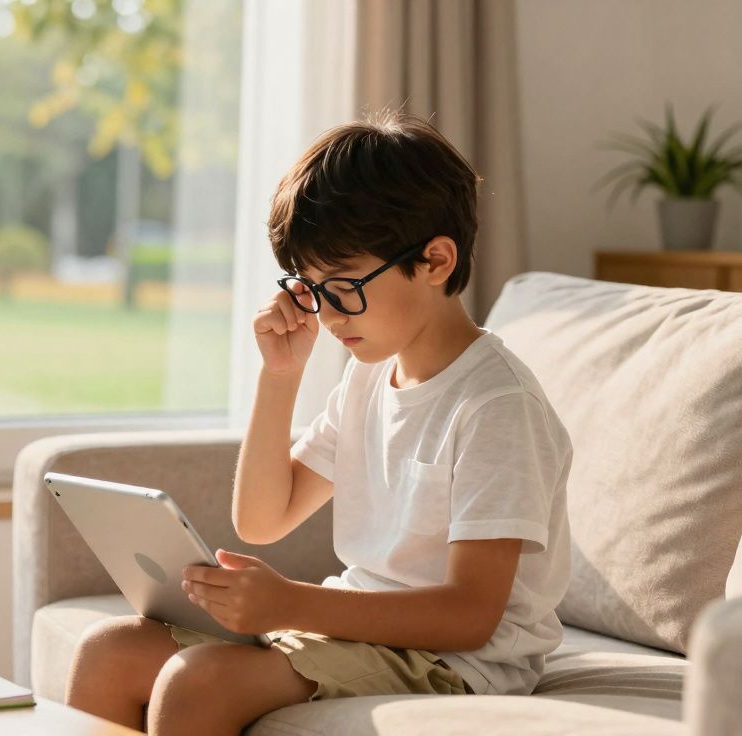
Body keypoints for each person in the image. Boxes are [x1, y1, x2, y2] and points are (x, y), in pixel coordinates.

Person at [63, 111, 573, 735]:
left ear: (436, 260)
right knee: (108, 653)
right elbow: (262, 518)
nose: (328, 317)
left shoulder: (497, 405)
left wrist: (293, 603)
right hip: (359, 626)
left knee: (199, 683)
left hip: (456, 660)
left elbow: (470, 617)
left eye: (344, 287)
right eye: (310, 289)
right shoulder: (368, 375)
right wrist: (280, 377)